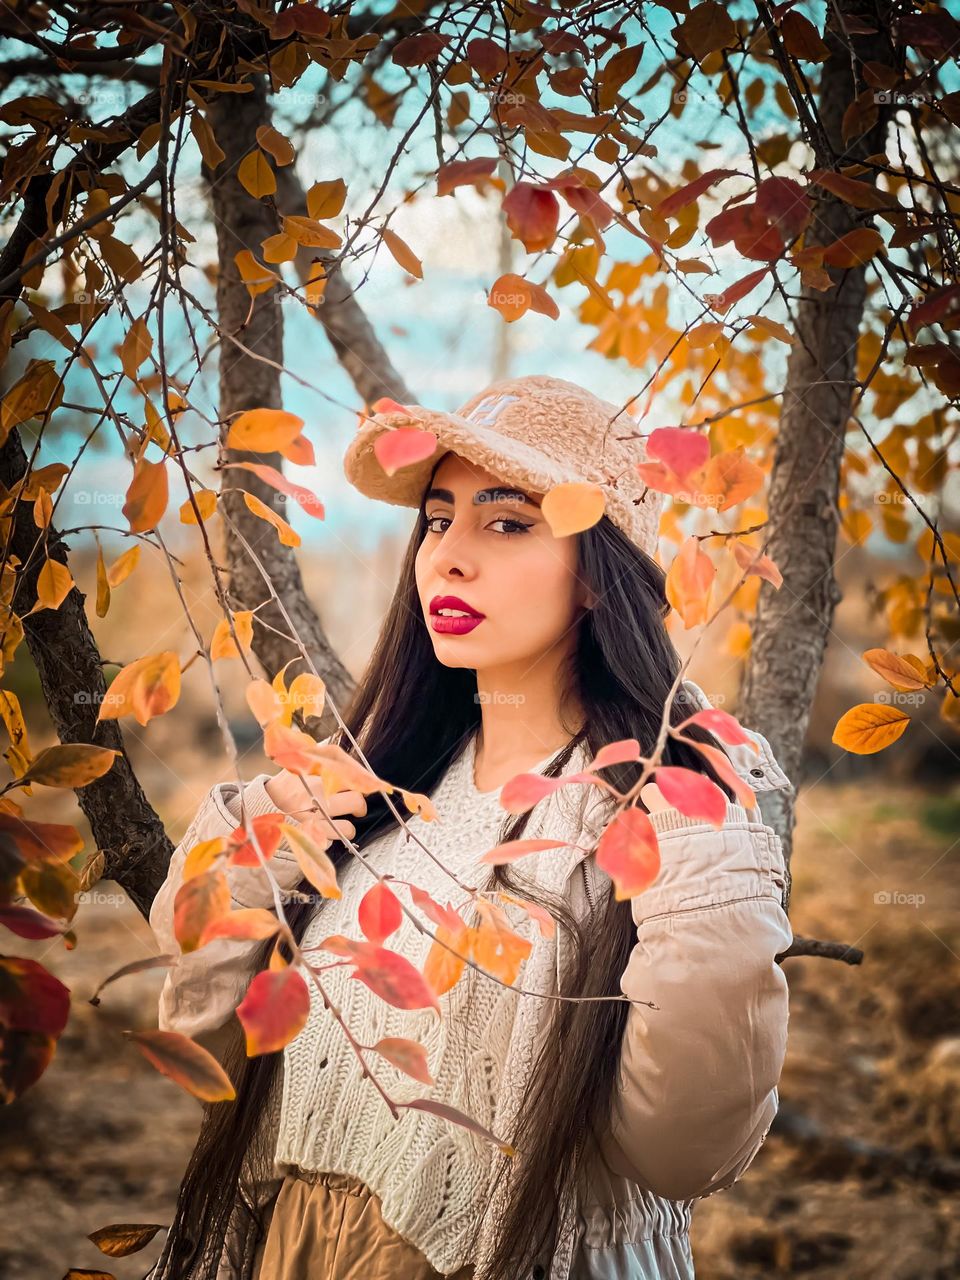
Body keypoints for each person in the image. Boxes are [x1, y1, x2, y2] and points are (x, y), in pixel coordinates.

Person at [148, 374, 794, 1280]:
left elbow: (685, 1149)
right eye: (439, 519)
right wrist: (252, 857)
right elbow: (207, 1049)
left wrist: (705, 867)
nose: (446, 556)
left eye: (509, 521)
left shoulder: (661, 821)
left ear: (599, 577)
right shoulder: (377, 791)